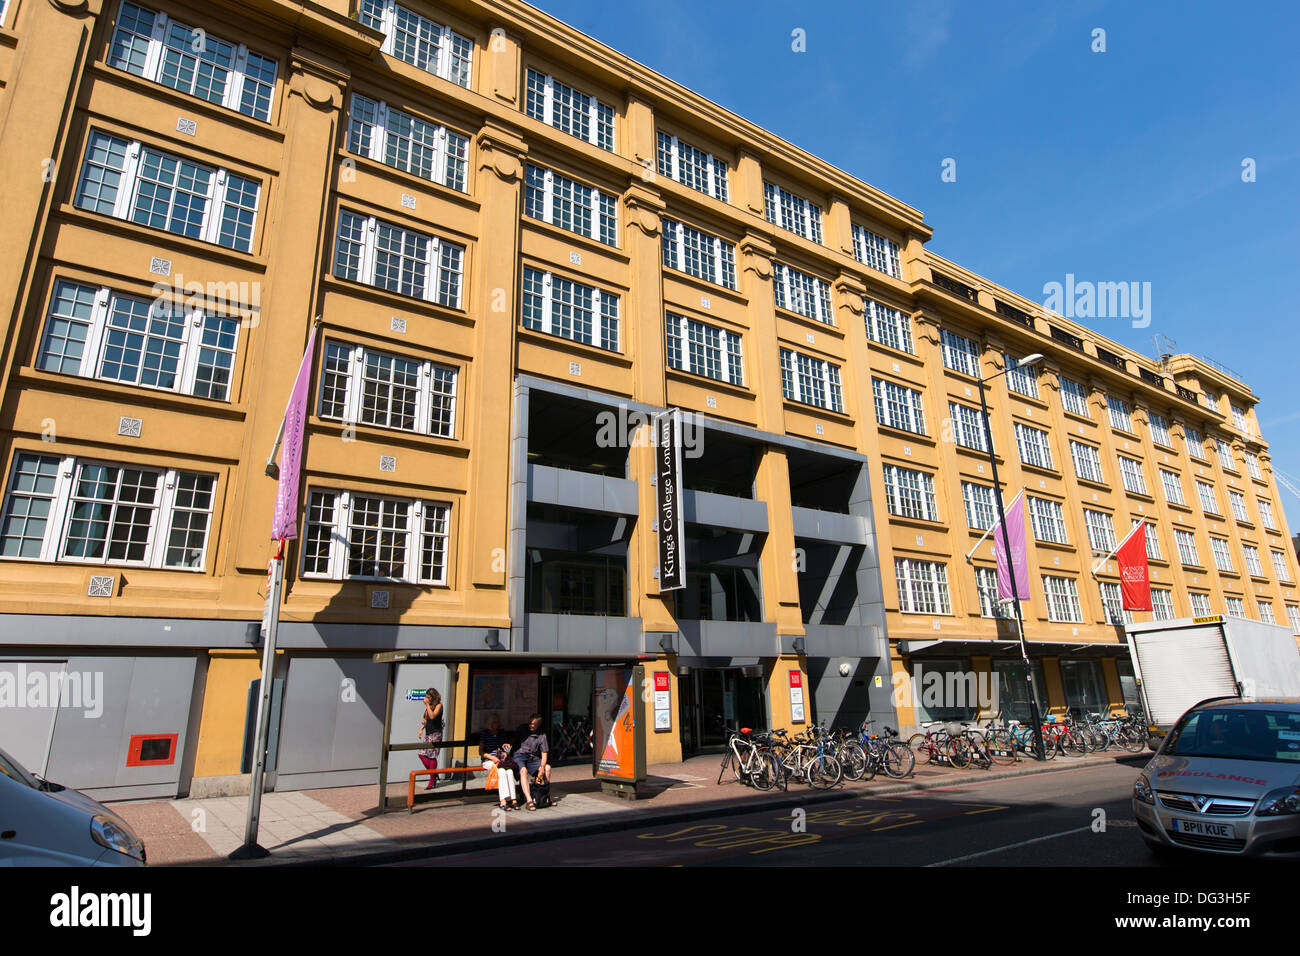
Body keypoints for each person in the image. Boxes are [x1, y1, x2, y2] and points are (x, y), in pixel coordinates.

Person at [479, 714, 519, 810]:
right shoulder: (485, 733)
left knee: (509, 772)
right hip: (488, 760)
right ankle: (503, 800)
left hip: (501, 760)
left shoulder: (501, 733)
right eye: (495, 722)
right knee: (501, 772)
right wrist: (492, 758)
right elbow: (481, 752)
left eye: (498, 722)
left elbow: (505, 746)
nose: (497, 724)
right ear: (490, 723)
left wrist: (505, 752)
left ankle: (513, 799)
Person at [512, 713, 551, 810]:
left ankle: (544, 796)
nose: (530, 725)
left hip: (531, 757)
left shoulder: (542, 735)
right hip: (519, 756)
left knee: (547, 768)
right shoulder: (522, 728)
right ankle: (529, 800)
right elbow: (512, 741)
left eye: (533, 724)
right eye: (529, 722)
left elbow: (544, 753)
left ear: (538, 724)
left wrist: (542, 767)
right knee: (523, 771)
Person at [417, 689, 443, 790]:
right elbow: (426, 719)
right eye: (426, 697)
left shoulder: (439, 706)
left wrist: (427, 705)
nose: (427, 699)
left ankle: (432, 780)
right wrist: (420, 729)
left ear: (433, 697)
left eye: (429, 697)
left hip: (436, 734)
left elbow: (432, 716)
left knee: (432, 756)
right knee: (421, 754)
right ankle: (433, 773)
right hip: (428, 734)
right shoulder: (428, 707)